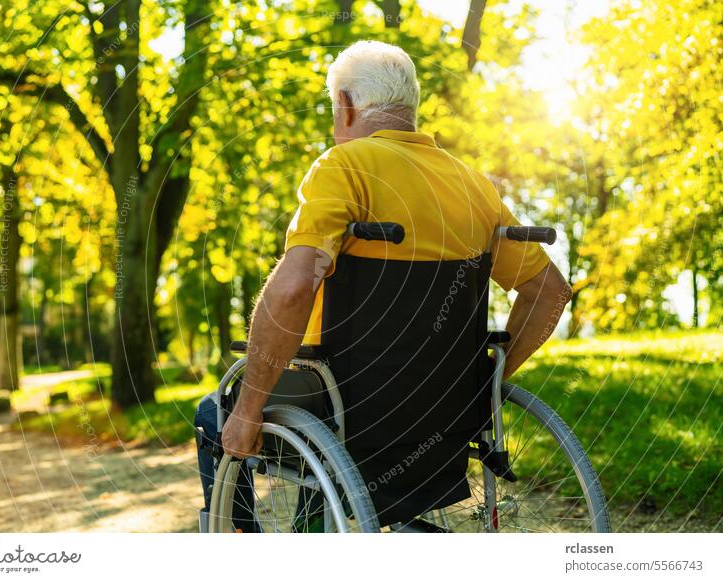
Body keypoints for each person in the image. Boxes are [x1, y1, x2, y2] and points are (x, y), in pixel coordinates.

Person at [195, 40, 573, 528]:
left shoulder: (343, 168)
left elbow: (290, 292)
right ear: (408, 108)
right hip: (442, 414)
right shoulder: (473, 186)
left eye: (334, 111)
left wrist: (247, 411)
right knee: (325, 425)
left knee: (215, 412)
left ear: (347, 106)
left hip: (340, 408)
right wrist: (488, 385)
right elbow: (550, 292)